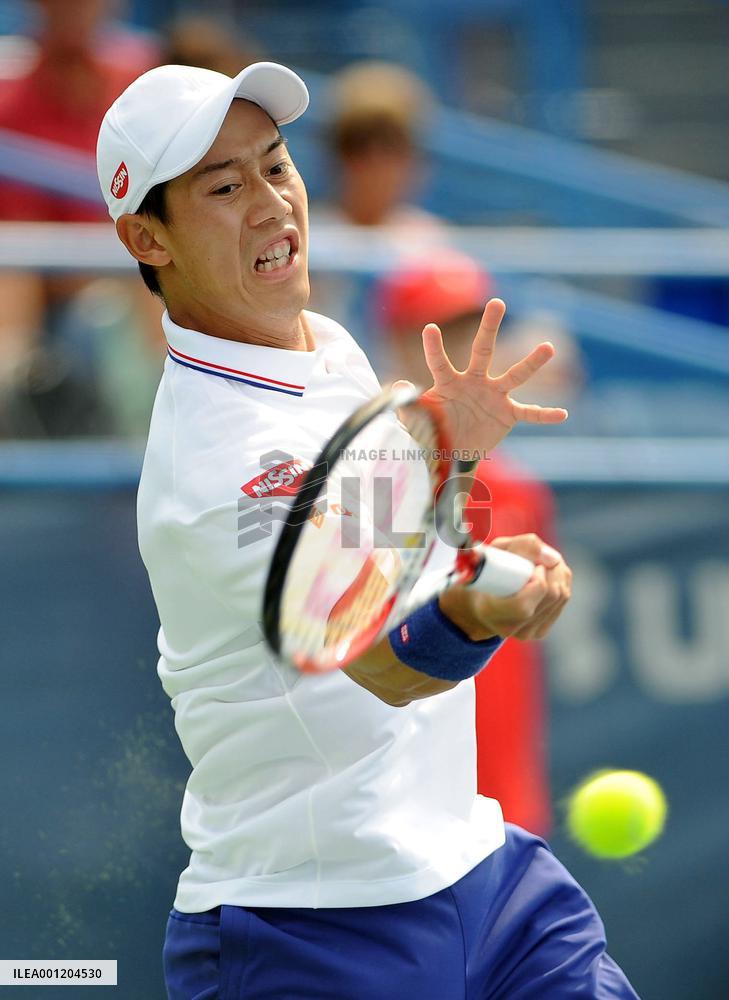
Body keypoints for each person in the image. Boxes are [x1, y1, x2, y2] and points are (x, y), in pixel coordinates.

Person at [97, 62, 639, 998]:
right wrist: (475, 611)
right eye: (223, 188)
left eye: (276, 165)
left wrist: (450, 454)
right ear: (148, 237)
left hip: (482, 874)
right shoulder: (218, 467)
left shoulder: (329, 347)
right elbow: (382, 667)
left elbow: (386, 543)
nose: (272, 202)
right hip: (309, 928)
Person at [376, 252, 562, 836]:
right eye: (439, 334)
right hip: (396, 806)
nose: (464, 353)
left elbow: (524, 638)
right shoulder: (367, 475)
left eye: (474, 332)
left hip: (504, 801)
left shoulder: (523, 492)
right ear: (398, 344)